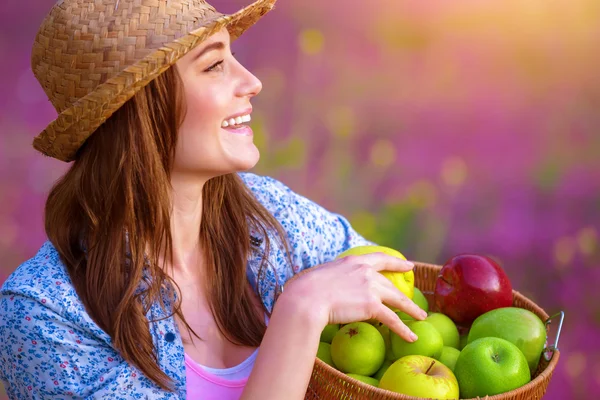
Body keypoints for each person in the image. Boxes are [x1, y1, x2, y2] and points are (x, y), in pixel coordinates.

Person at [0, 0, 426, 398]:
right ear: (141, 110)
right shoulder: (45, 317)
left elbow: (400, 296)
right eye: (215, 65)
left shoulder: (269, 214)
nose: (252, 82)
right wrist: (300, 311)